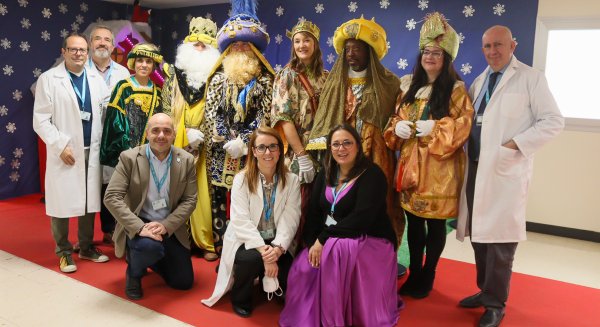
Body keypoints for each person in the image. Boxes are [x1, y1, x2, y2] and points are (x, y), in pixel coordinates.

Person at [456, 25, 564, 327]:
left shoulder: (531, 78)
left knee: (501, 241)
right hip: (476, 168)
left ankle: (495, 303)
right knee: (480, 235)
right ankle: (484, 290)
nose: (493, 51)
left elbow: (554, 121)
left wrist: (514, 145)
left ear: (512, 45)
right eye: (488, 46)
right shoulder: (479, 81)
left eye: (499, 45)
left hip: (506, 170)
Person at [384, 13, 474, 299]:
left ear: (446, 58)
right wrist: (395, 126)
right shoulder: (408, 86)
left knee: (435, 224)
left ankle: (429, 272)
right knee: (414, 222)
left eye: (437, 52)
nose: (430, 57)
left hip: (440, 170)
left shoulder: (457, 91)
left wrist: (436, 127)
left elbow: (464, 125)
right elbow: (395, 118)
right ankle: (416, 271)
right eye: (426, 51)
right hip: (411, 167)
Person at [306, 16, 405, 274]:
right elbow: (325, 119)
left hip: (376, 154)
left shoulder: (390, 83)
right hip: (342, 155)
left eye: (357, 48)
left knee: (376, 203)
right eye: (347, 49)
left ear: (369, 51)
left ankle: (379, 256)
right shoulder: (334, 82)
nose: (351, 54)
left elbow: (395, 118)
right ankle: (337, 246)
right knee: (340, 202)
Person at [280, 124, 400, 327]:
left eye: (347, 143)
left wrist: (324, 239)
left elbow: (362, 218)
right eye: (335, 144)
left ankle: (338, 315)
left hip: (370, 238)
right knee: (304, 263)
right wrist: (312, 243)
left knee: (337, 252)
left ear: (358, 146)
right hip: (333, 235)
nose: (341, 149)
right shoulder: (326, 172)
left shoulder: (372, 175)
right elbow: (314, 214)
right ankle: (313, 313)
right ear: (330, 148)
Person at [201, 127, 300, 317]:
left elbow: (291, 218)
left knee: (288, 276)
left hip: (276, 240)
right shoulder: (242, 179)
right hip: (246, 240)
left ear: (280, 149)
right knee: (251, 260)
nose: (268, 152)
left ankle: (267, 275)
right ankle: (240, 297)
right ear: (253, 151)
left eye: (273, 147)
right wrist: (264, 252)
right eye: (261, 147)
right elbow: (241, 220)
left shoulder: (292, 180)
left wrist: (278, 249)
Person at [33, 32, 110, 273]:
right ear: (63, 52)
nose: (78, 54)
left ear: (87, 54)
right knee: (62, 203)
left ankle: (86, 247)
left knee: (88, 201)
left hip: (92, 150)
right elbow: (41, 120)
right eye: (73, 49)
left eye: (82, 50)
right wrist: (59, 145)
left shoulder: (95, 79)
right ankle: (64, 251)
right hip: (66, 151)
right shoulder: (49, 79)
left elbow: (105, 112)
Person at [201, 2, 275, 255]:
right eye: (236, 45)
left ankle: (249, 247)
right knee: (219, 198)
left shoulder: (265, 80)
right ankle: (221, 246)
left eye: (245, 44)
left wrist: (245, 141)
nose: (240, 48)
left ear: (254, 49)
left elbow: (267, 116)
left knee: (251, 198)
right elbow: (212, 113)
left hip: (253, 152)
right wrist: (223, 140)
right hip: (221, 152)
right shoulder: (219, 79)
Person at [104, 113, 197, 300]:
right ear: (147, 133)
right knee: (148, 246)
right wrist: (139, 227)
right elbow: (112, 196)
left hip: (168, 224)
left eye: (167, 131)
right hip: (140, 220)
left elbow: (190, 200)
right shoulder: (129, 158)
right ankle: (134, 273)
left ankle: (148, 257)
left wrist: (166, 226)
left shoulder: (186, 160)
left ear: (173, 134)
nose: (161, 135)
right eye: (155, 130)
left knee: (183, 282)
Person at [161, 16, 221, 261]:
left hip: (207, 146)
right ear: (187, 45)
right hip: (178, 142)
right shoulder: (173, 75)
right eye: (195, 43)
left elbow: (222, 110)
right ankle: (179, 241)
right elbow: (166, 110)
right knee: (177, 191)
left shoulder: (219, 75)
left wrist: (204, 134)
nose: (199, 48)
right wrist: (183, 133)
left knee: (204, 194)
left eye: (205, 44)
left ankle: (205, 241)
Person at [271, 20, 328, 250]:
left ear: (315, 44)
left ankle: (314, 261)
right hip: (299, 155)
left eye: (306, 40)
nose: (302, 45)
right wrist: (302, 156)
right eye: (297, 41)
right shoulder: (287, 76)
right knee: (297, 209)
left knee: (320, 209)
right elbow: (283, 119)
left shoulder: (327, 76)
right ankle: (290, 262)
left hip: (325, 154)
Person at [88, 24, 131, 245]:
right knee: (87, 186)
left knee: (111, 185)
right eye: (97, 39)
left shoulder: (123, 73)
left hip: (113, 138)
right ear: (90, 43)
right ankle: (85, 238)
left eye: (106, 39)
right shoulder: (80, 70)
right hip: (87, 137)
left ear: (113, 45)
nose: (102, 43)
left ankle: (109, 229)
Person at [100, 43, 163, 168]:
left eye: (148, 61)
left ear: (153, 65)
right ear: (133, 62)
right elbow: (115, 121)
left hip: (152, 153)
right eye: (140, 60)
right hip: (128, 153)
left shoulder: (158, 91)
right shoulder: (123, 87)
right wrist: (127, 149)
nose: (144, 65)